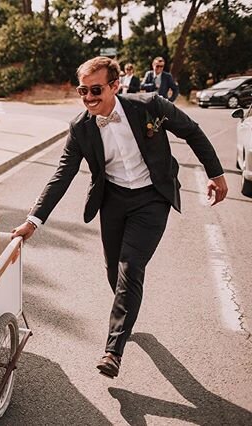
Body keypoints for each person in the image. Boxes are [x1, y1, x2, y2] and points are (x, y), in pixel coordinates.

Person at [12, 56, 227, 379]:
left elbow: (192, 131)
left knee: (130, 266)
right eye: (82, 91)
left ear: (115, 86)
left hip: (152, 199)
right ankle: (127, 311)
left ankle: (113, 350)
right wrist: (34, 221)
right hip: (112, 200)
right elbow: (62, 175)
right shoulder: (81, 127)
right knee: (114, 270)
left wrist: (216, 174)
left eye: (95, 90)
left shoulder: (150, 107)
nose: (88, 98)